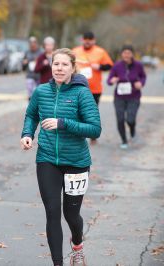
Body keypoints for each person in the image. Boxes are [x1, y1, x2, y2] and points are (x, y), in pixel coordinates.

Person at [20, 48, 101, 266]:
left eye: (64, 64)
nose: (59, 68)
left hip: (76, 162)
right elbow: (31, 114)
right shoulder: (41, 91)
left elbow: (95, 129)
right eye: (56, 64)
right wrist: (27, 134)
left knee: (71, 215)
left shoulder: (81, 93)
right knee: (53, 212)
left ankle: (77, 245)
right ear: (51, 66)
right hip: (47, 159)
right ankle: (58, 263)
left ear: (72, 68)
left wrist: (63, 123)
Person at [72, 31, 113, 145]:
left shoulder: (100, 51)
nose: (88, 41)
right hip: (77, 87)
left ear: (94, 40)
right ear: (82, 40)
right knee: (77, 111)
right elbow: (68, 63)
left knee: (91, 113)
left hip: (94, 89)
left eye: (90, 39)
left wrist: (99, 66)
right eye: (86, 39)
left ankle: (92, 135)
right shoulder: (75, 51)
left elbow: (109, 65)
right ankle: (78, 134)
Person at [107, 45, 146, 149]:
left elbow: (143, 76)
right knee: (120, 119)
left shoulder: (138, 65)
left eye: (129, 53)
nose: (126, 55)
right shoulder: (117, 66)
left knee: (130, 119)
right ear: (121, 54)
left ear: (132, 54)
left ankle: (132, 129)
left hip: (134, 96)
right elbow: (109, 80)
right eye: (124, 53)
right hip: (119, 97)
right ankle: (124, 140)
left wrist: (141, 83)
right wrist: (112, 80)